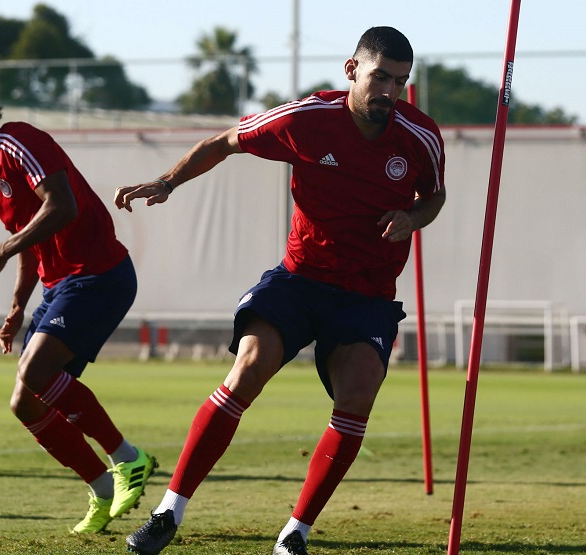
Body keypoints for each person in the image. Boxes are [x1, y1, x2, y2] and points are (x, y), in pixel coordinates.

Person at [115, 26, 446, 555]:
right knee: (249, 365)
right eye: (380, 77)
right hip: (301, 279)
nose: (389, 92)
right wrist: (167, 182)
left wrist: (413, 216)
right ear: (352, 70)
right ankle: (167, 512)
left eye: (400, 83)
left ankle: (296, 533)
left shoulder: (421, 136)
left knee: (358, 395)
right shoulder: (305, 119)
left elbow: (434, 196)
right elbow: (224, 142)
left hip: (367, 294)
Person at [0, 76, 157, 534]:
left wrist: (0, 253)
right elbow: (31, 238)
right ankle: (103, 488)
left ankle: (129, 458)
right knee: (24, 403)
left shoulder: (17, 141)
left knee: (36, 373)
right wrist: (17, 306)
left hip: (98, 274)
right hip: (58, 286)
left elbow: (60, 207)